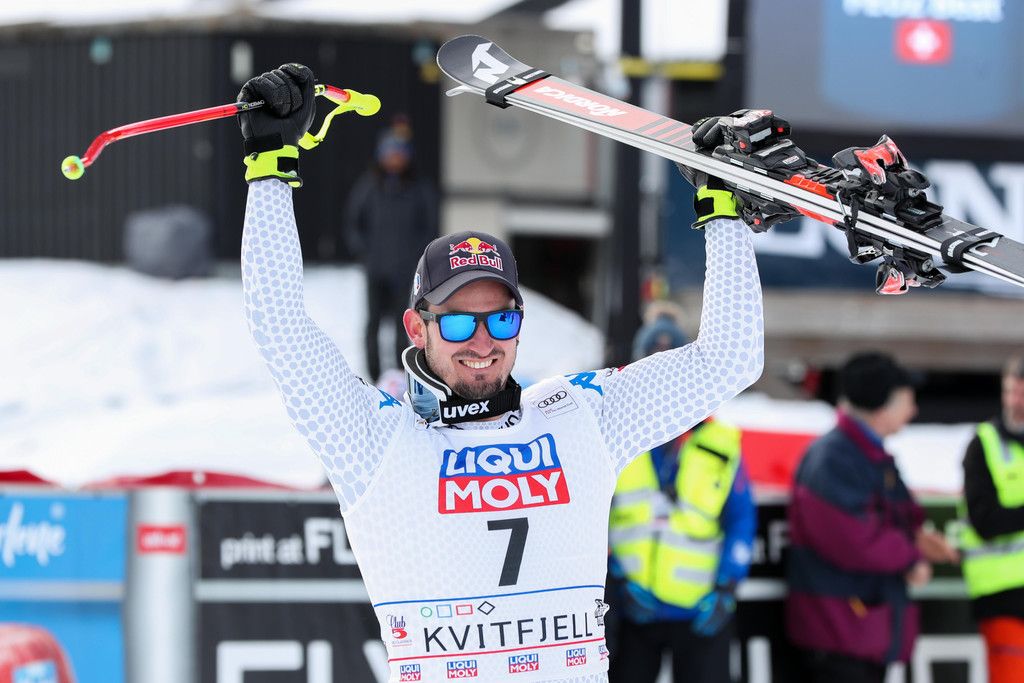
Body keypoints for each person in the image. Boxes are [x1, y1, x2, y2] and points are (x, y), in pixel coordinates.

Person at [237, 64, 763, 682]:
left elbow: (730, 359)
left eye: (501, 320)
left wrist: (721, 210)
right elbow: (279, 327)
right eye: (459, 322)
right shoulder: (372, 440)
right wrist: (269, 168)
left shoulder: (580, 416)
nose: (483, 342)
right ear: (416, 329)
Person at [785, 352, 958, 682]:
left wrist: (919, 540)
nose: (913, 410)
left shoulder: (867, 454)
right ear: (882, 408)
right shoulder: (834, 459)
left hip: (860, 630)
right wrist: (911, 556)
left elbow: (902, 514)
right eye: (907, 401)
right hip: (839, 632)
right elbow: (855, 541)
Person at [607, 312, 756, 683]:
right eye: (652, 366)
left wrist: (727, 587)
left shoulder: (720, 443)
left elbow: (741, 520)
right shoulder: (612, 434)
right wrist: (617, 581)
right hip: (632, 610)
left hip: (700, 612)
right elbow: (591, 520)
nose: (662, 379)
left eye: (672, 365)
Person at [344, 114, 438, 382]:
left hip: (404, 271)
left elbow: (429, 227)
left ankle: (398, 374)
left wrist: (416, 258)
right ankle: (374, 376)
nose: (394, 159)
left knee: (403, 323)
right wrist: (365, 254)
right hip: (375, 269)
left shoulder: (419, 189)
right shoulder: (370, 186)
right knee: (373, 323)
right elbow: (354, 222)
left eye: (399, 153)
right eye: (390, 153)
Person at [960, 354, 1024, 683]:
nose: (1016, 402)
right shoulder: (984, 444)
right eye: (1011, 391)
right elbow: (986, 521)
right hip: (1004, 597)